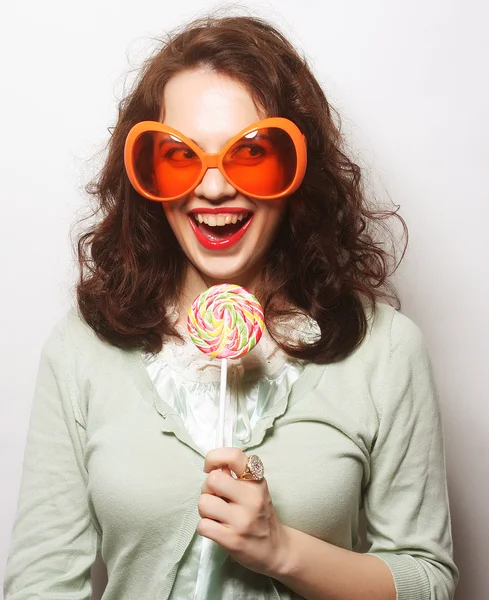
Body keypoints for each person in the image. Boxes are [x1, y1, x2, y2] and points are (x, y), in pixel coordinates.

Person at [3, 14, 458, 600]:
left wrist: (282, 549)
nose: (213, 188)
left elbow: (429, 580)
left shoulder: (386, 349)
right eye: (177, 156)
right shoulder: (82, 349)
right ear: (144, 175)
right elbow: (39, 584)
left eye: (251, 154)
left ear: (299, 170)